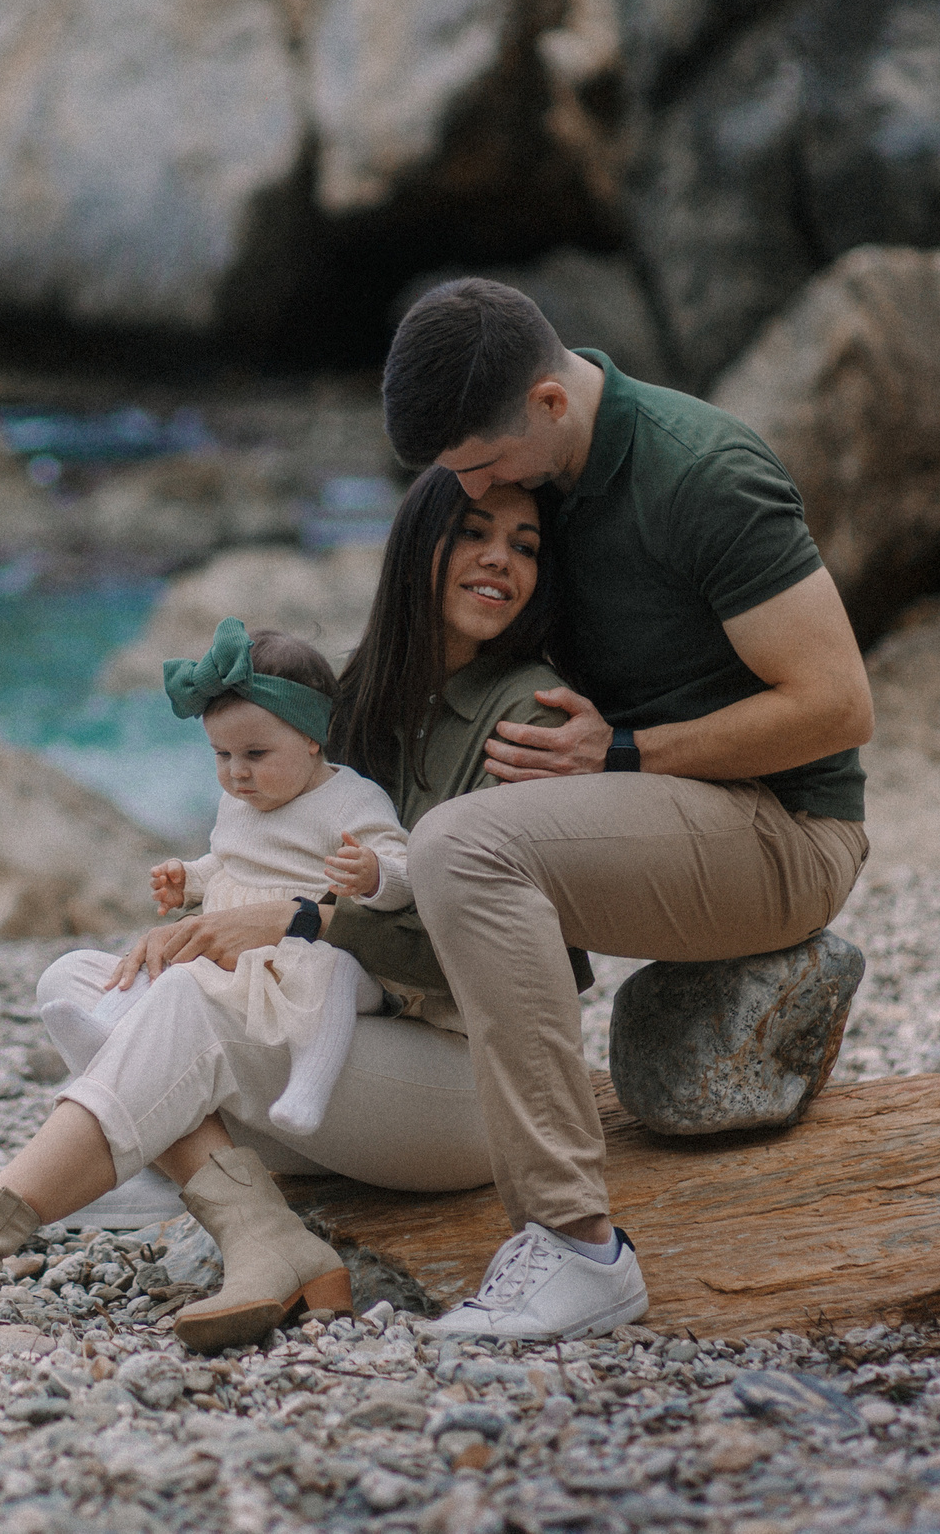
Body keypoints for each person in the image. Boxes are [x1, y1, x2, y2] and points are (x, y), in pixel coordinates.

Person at [0, 470, 592, 1353]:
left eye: (524, 545)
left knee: (189, 1002)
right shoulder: (357, 696)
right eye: (474, 532)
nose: (499, 559)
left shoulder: (529, 714)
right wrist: (209, 914)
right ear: (418, 548)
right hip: (334, 1071)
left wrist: (296, 921)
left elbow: (518, 949)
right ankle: (263, 1235)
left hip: (467, 1084)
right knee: (84, 980)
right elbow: (258, 846)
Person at [362, 276, 875, 1340]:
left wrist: (627, 751)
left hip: (785, 830)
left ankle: (576, 1249)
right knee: (427, 839)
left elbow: (836, 706)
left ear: (550, 403)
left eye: (481, 465)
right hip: (654, 814)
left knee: (463, 851)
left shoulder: (702, 472)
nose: (475, 490)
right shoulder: (546, 466)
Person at [39, 619, 407, 1150]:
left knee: (334, 968)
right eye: (222, 754)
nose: (237, 773)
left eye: (255, 754)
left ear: (311, 737)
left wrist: (374, 875)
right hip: (232, 960)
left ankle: (309, 1085)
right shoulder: (241, 803)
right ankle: (108, 1035)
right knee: (75, 969)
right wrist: (191, 879)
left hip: (305, 961)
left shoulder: (350, 800)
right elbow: (231, 862)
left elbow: (408, 871)